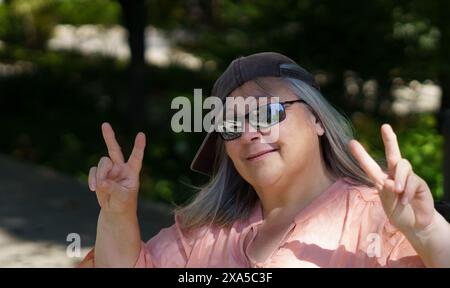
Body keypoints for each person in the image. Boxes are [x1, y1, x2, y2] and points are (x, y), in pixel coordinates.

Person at [79, 52, 450, 267]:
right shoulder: (202, 233)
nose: (249, 133)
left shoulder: (381, 219)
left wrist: (428, 233)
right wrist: (117, 214)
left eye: (268, 112)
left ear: (319, 121)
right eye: (230, 124)